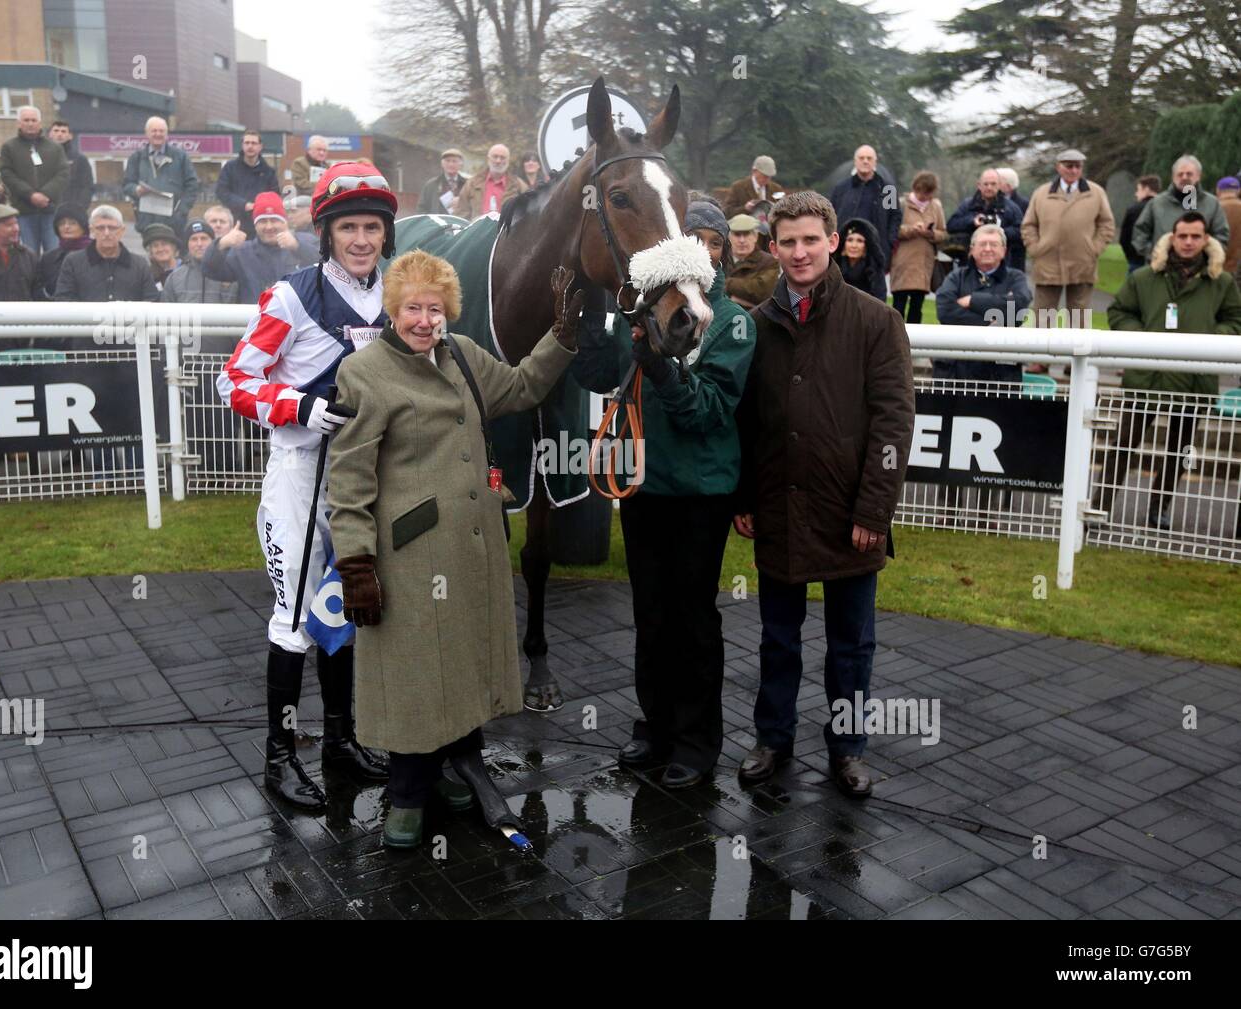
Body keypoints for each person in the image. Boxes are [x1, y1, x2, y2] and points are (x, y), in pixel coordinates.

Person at [326, 250, 580, 846]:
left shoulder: (463, 355)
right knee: (417, 675)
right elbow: (350, 479)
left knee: (461, 663)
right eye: (412, 307)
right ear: (392, 309)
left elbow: (519, 388)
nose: (423, 319)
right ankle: (408, 797)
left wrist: (561, 335)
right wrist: (356, 563)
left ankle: (457, 770)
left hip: (472, 548)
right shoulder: (363, 373)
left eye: (434, 308)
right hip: (410, 557)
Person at [216, 161, 402, 812]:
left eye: (371, 226)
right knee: (295, 617)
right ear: (325, 232)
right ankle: (280, 755)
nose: (360, 238)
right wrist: (297, 405)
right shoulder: (290, 295)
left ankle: (342, 742)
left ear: (385, 232)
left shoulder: (396, 298)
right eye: (347, 225)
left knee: (345, 611)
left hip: (360, 480)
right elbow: (233, 381)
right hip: (301, 473)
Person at [733, 191, 915, 797]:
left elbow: (893, 422)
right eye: (787, 242)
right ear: (773, 247)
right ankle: (772, 739)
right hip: (779, 507)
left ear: (833, 241)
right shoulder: (756, 325)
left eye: (810, 239)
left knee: (850, 645)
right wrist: (744, 498)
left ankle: (848, 749)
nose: (799, 252)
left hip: (850, 515)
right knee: (778, 639)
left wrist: (875, 508)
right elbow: (747, 422)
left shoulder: (875, 319)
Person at [574, 198, 756, 789]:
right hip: (644, 487)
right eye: (689, 239)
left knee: (692, 618)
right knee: (650, 614)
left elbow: (707, 410)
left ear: (724, 250)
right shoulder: (650, 308)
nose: (700, 249)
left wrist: (663, 369)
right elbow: (597, 377)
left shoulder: (731, 321)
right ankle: (654, 726)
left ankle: (697, 741)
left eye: (711, 239)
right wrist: (592, 317)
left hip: (702, 494)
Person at [1096, 211, 1241, 532]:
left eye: (1195, 236)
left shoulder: (1221, 282)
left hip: (1194, 379)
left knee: (1178, 450)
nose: (1188, 242)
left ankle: (1158, 509)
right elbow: (1120, 312)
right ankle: (1098, 506)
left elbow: (1235, 319)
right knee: (1123, 444)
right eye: (1183, 236)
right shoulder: (1145, 278)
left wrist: (1211, 340)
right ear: (1172, 237)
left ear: (1206, 240)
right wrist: (1143, 338)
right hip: (1148, 375)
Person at [1020, 148, 1115, 329]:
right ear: (1058, 167)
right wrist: (1035, 248)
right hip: (1047, 263)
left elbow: (1106, 224)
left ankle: (1075, 357)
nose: (1073, 170)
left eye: (1077, 166)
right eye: (1069, 166)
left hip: (1082, 263)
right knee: (1043, 318)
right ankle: (1040, 357)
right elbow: (1029, 225)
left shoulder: (1096, 193)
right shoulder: (1041, 193)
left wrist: (1094, 249)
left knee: (1078, 321)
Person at [933, 224, 1033, 382]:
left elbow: (1019, 307)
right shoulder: (956, 277)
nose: (988, 249)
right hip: (957, 370)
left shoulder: (1016, 277)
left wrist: (973, 300)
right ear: (972, 250)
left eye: (994, 244)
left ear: (1004, 251)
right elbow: (945, 311)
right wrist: (996, 321)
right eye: (982, 244)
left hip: (1002, 372)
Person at [200, 191, 320, 303]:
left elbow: (327, 266)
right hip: (257, 321)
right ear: (255, 225)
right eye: (263, 221)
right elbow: (209, 270)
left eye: (274, 220)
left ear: (284, 222)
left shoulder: (305, 241)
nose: (269, 227)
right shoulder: (242, 252)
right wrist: (221, 244)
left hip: (295, 322)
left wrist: (297, 247)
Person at [0, 105, 69, 255]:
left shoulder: (55, 148)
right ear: (19, 123)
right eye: (26, 120)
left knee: (54, 253)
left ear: (40, 123)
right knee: (28, 254)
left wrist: (45, 194)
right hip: (24, 211)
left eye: (33, 120)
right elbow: (7, 174)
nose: (30, 123)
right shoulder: (9, 147)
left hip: (51, 210)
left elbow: (63, 173)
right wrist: (30, 195)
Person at [1132, 155, 1231, 261]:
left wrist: (1206, 258)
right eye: (1180, 174)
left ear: (1198, 176)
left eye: (1189, 174)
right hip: (1163, 271)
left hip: (1200, 271)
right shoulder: (1156, 204)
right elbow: (1139, 234)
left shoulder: (1212, 204)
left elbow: (1221, 235)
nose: (1184, 177)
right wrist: (1155, 254)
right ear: (1173, 177)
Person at [52, 205, 158, 302]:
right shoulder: (73, 262)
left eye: (112, 228)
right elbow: (63, 300)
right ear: (92, 230)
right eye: (100, 228)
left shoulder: (139, 265)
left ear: (122, 231)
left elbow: (151, 301)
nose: (106, 233)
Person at [122, 117, 198, 236]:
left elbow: (192, 186)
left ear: (167, 134)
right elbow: (126, 185)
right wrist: (136, 190)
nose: (158, 134)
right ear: (147, 134)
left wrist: (181, 211)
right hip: (147, 222)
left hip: (174, 223)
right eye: (154, 131)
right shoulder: (136, 158)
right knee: (152, 253)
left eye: (161, 131)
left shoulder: (181, 157)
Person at [829, 145, 900, 270]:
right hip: (844, 253)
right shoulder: (841, 189)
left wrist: (889, 242)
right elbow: (831, 216)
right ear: (855, 161)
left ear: (875, 162)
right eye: (861, 158)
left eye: (869, 158)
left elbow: (894, 216)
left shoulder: (887, 190)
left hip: (875, 252)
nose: (865, 161)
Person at [889, 171, 946, 324]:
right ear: (915, 188)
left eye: (927, 193)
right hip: (902, 262)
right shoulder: (901, 204)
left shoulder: (936, 207)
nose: (923, 196)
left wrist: (931, 233)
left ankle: (914, 342)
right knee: (898, 305)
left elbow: (943, 233)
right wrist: (912, 229)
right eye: (920, 191)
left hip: (924, 264)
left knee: (917, 306)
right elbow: (892, 230)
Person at [945, 169, 1023, 267]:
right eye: (986, 184)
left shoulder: (1011, 208)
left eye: (993, 184)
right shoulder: (968, 205)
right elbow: (951, 226)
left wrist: (999, 231)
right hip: (970, 263)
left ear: (999, 185)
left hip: (1001, 264)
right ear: (979, 185)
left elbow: (1021, 231)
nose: (989, 187)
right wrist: (972, 221)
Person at [215, 130, 280, 240]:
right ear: (242, 145)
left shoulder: (269, 172)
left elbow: (275, 196)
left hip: (260, 225)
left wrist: (259, 206)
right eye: (247, 143)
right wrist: (244, 205)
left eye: (254, 143)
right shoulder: (230, 168)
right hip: (235, 224)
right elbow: (221, 192)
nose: (250, 146)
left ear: (260, 146)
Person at [160, 220, 238, 304]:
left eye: (204, 238)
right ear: (187, 244)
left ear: (212, 242)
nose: (199, 244)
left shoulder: (229, 273)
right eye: (194, 239)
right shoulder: (175, 278)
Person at [455, 144, 526, 220]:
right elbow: (461, 214)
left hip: (508, 231)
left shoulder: (519, 185)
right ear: (488, 159)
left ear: (508, 160)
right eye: (495, 157)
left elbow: (528, 214)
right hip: (479, 230)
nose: (498, 161)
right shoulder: (472, 184)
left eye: (502, 158)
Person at [725, 212, 780, 309]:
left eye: (746, 234)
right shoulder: (720, 261)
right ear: (729, 238)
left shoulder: (769, 261)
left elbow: (763, 292)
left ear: (755, 237)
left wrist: (726, 283)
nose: (742, 240)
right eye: (737, 235)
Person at [36, 205, 92, 298]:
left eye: (72, 223)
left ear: (83, 226)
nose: (66, 227)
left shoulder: (96, 253)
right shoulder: (48, 258)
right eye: (61, 223)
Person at [833, 217, 888, 302]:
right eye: (850, 240)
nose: (854, 245)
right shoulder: (834, 269)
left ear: (866, 246)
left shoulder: (874, 271)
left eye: (859, 241)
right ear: (843, 244)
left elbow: (880, 303)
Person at [48, 120, 94, 212]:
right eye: (56, 131)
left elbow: (87, 186)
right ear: (50, 134)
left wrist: (81, 207)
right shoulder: (40, 157)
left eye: (63, 131)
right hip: (46, 211)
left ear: (70, 136)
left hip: (71, 210)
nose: (59, 134)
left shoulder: (80, 159)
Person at [1119, 174, 1161, 274]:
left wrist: (1131, 256)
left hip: (1136, 259)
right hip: (1160, 258)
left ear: (1146, 189)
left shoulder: (1134, 209)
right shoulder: (1167, 209)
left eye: (1138, 190)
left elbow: (1124, 238)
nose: (1136, 194)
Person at [996, 167, 1030, 269]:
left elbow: (1025, 229)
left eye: (998, 181)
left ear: (1008, 186)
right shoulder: (990, 202)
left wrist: (1001, 232)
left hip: (1015, 253)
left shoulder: (1024, 204)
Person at [417, 147, 468, 215]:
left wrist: (462, 202)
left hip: (460, 224)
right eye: (447, 161)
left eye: (454, 161)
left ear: (460, 164)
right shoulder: (431, 185)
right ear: (442, 163)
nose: (451, 164)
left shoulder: (468, 185)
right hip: (438, 224)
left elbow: (475, 207)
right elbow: (421, 209)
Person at [142, 222, 181, 289]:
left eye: (164, 244)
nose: (160, 249)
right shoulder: (147, 276)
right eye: (155, 245)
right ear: (151, 251)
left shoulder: (187, 270)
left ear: (173, 247)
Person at [1216, 177, 1241, 278]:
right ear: (1239, 191)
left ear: (1218, 190)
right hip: (1238, 269)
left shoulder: (1211, 209)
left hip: (1216, 269)